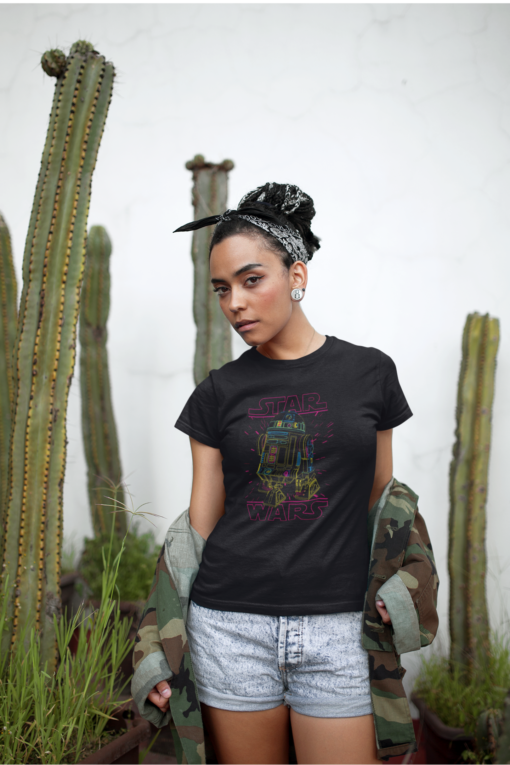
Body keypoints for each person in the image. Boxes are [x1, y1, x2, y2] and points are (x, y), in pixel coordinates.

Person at [144, 183, 414, 765]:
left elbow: (380, 500)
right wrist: (159, 637)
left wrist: (407, 580)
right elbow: (201, 526)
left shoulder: (371, 374)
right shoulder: (217, 393)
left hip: (340, 630)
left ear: (297, 275)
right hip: (230, 627)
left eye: (250, 280)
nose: (235, 303)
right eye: (221, 290)